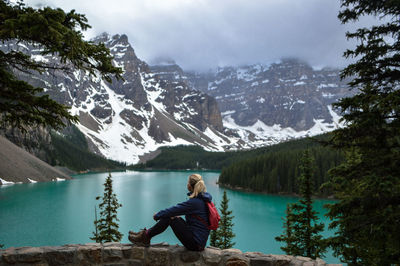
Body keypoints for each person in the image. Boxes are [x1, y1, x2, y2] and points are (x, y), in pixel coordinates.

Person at [128, 173, 212, 251]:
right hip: (198, 241)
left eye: (188, 182)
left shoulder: (195, 202)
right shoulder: (202, 199)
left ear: (191, 186)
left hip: (196, 244)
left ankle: (145, 237)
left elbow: (175, 209)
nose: (187, 184)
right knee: (174, 217)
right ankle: (144, 235)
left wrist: (158, 215)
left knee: (170, 217)